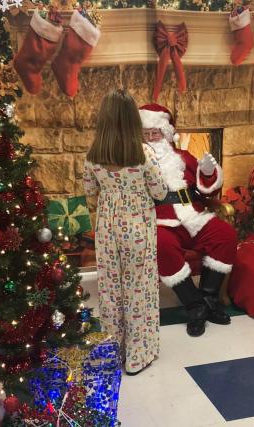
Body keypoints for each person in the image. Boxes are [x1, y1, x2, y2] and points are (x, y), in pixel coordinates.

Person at [83, 89, 168, 375]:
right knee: (139, 290)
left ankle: (112, 352)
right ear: (133, 119)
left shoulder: (93, 155)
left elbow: (90, 193)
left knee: (109, 290)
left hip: (107, 228)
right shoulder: (144, 154)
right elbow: (160, 192)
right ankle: (137, 355)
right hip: (138, 229)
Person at [138, 103, 238, 337]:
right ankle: (194, 305)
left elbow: (207, 193)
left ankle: (209, 298)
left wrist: (206, 172)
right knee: (161, 244)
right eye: (147, 134)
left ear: (167, 133)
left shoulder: (183, 158)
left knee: (225, 234)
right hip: (160, 220)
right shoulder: (137, 163)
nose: (152, 138)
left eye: (157, 133)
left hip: (192, 216)